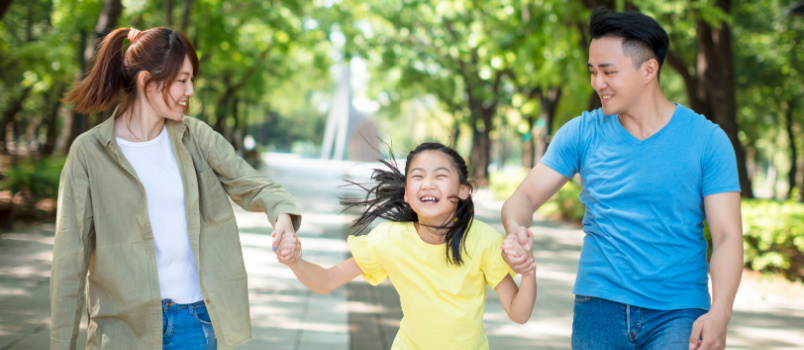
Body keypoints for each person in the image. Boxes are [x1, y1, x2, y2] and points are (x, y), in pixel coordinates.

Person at [500, 10, 743, 350]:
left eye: (608, 72)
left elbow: (727, 235)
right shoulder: (582, 133)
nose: (597, 83)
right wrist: (515, 230)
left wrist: (721, 313)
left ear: (648, 70)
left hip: (679, 312)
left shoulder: (707, 140)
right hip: (598, 308)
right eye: (593, 71)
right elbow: (523, 198)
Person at [51, 27, 301, 349]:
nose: (191, 90)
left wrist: (282, 216)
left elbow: (253, 184)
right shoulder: (89, 152)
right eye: (182, 80)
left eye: (191, 79)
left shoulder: (195, 137)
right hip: (122, 331)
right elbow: (69, 262)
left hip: (195, 326)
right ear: (146, 82)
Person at [274, 142, 537, 349]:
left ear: (464, 191)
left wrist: (528, 272)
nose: (428, 183)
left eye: (441, 176)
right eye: (418, 176)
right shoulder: (388, 239)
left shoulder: (484, 241)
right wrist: (294, 261)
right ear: (407, 194)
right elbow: (327, 280)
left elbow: (518, 313)